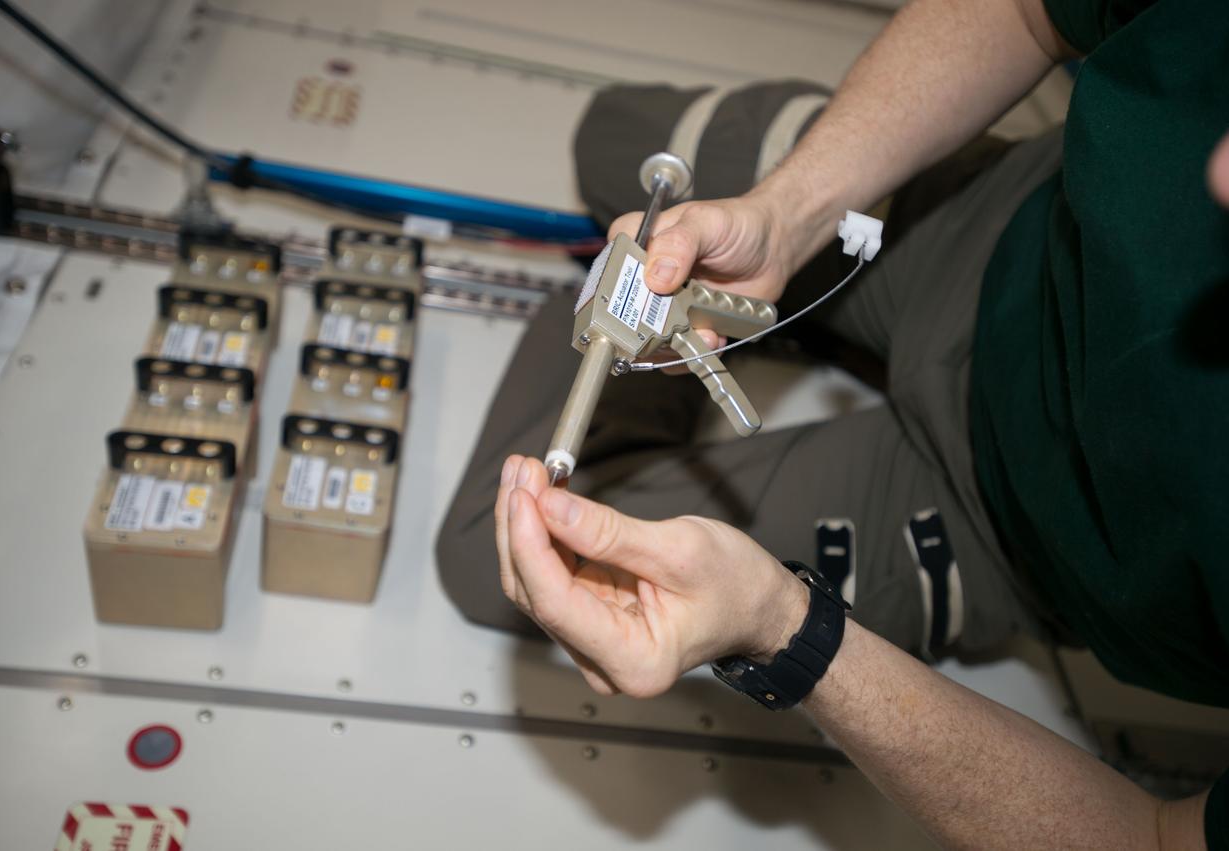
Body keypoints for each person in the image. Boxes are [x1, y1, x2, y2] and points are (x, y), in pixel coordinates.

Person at [446, 0, 1229, 844]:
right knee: (606, 136)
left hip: (1000, 522)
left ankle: (739, 325)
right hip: (996, 226)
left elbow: (1150, 838)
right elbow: (1028, 10)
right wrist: (790, 212)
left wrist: (783, 627)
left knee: (483, 554)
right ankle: (789, 307)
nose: (1216, 175)